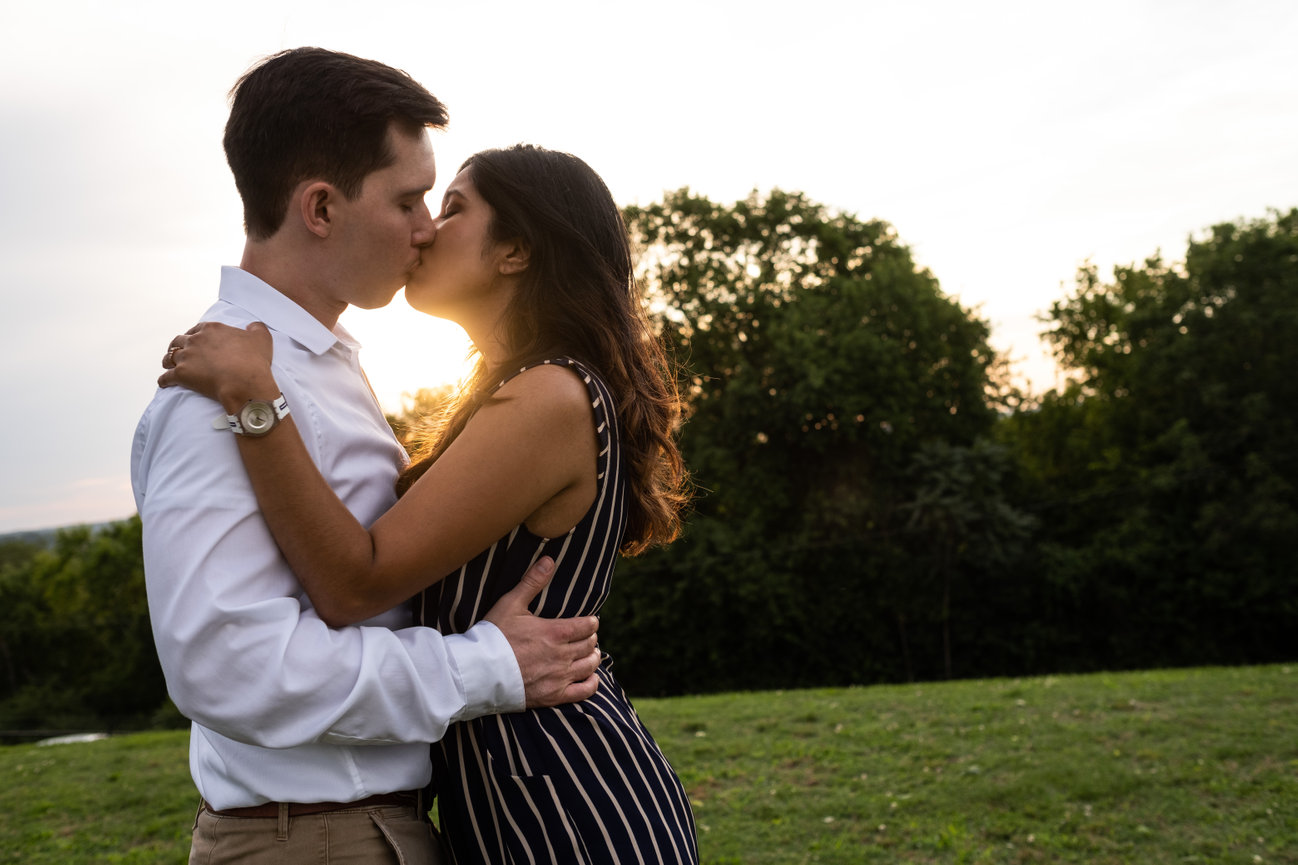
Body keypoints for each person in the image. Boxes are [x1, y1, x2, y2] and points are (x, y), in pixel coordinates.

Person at [159, 144, 701, 862]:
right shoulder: (511, 394)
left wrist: (256, 398)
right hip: (508, 790)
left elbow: (358, 579)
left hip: (565, 797)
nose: (424, 229)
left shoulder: (548, 396)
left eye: (451, 208)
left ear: (514, 251)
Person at [131, 49, 601, 865]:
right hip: (311, 836)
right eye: (410, 199)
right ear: (320, 206)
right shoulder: (215, 394)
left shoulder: (319, 368)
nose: (426, 227)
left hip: (363, 827)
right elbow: (229, 665)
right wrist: (480, 667)